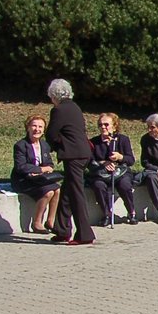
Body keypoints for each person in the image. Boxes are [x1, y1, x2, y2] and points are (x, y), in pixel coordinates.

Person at [45, 79, 94, 246]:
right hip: (83, 153)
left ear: (54, 95)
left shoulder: (58, 110)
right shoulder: (75, 107)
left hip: (73, 155)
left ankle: (84, 234)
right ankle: (62, 229)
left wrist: (59, 144)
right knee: (67, 191)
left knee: (75, 193)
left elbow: (51, 134)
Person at [10, 114, 62, 234]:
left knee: (57, 190)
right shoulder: (21, 145)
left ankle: (50, 221)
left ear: (44, 130)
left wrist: (45, 169)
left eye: (40, 127)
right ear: (27, 127)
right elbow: (21, 167)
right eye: (34, 126)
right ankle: (37, 223)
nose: (36, 129)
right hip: (23, 180)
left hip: (39, 179)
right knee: (48, 192)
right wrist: (40, 170)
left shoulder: (45, 145)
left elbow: (49, 164)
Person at [89, 113, 138, 226]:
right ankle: (107, 214)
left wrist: (120, 157)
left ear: (114, 126)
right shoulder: (93, 142)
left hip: (120, 172)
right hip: (101, 174)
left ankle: (132, 212)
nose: (103, 127)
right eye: (100, 125)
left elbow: (130, 160)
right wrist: (103, 163)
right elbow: (90, 163)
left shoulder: (122, 140)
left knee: (125, 185)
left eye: (106, 125)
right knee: (98, 185)